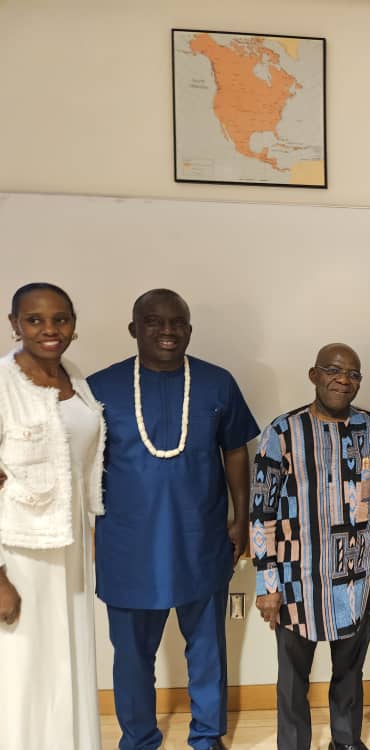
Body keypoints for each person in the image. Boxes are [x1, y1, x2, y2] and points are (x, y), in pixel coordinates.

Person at [89, 288, 259, 750]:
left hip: (199, 538)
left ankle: (206, 737)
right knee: (131, 656)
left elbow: (236, 450)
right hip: (127, 545)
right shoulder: (98, 389)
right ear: (133, 329)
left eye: (177, 323)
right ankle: (139, 738)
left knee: (207, 650)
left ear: (189, 329)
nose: (167, 331)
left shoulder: (217, 382)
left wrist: (240, 518)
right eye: (154, 322)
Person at [251, 343, 370, 750]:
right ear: (313, 375)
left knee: (349, 673)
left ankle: (345, 740)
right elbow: (261, 510)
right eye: (333, 370)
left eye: (353, 374)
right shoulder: (282, 431)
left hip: (359, 578)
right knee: (292, 678)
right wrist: (266, 583)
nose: (343, 380)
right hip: (296, 578)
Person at [0, 283, 105, 748]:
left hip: (73, 545)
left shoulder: (74, 378)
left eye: (60, 319)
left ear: (74, 326)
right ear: (14, 325)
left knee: (70, 661)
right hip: (20, 552)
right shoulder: (3, 385)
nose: (49, 329)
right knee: (25, 668)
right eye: (35, 319)